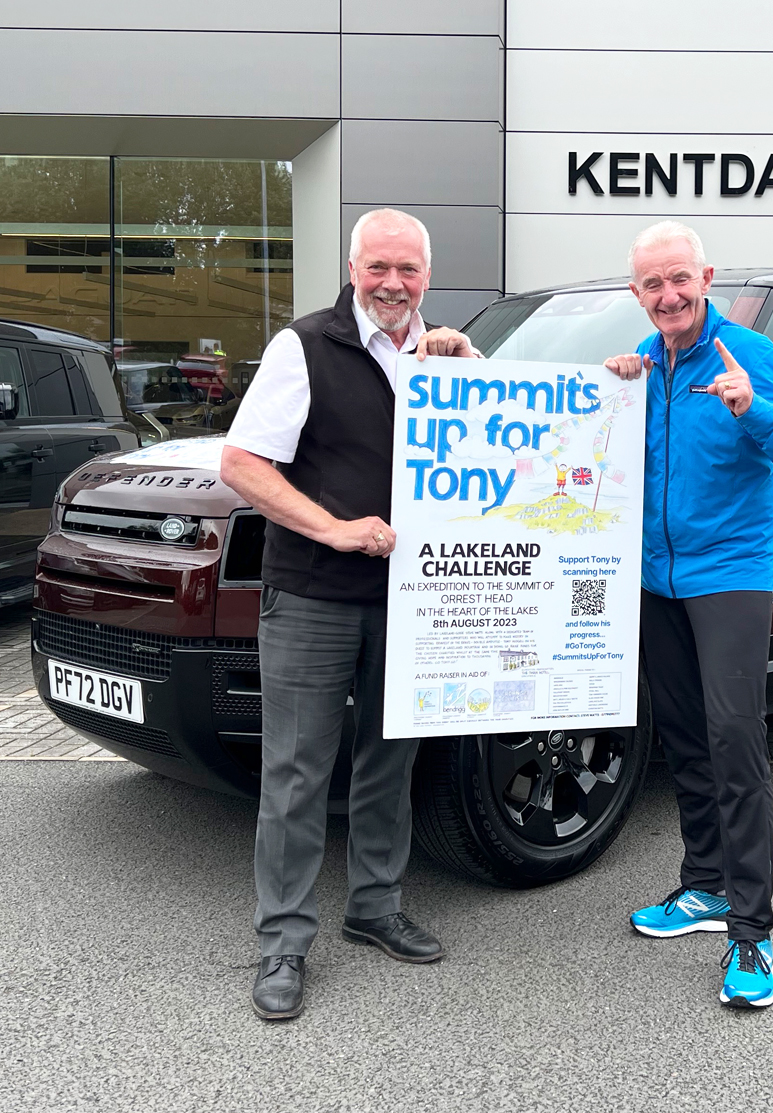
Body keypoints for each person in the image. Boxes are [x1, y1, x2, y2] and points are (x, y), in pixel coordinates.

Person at [220, 208, 479, 1020]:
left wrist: (473, 364)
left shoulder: (446, 353)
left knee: (388, 763)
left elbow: (515, 449)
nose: (393, 284)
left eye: (408, 270)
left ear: (427, 276)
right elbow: (240, 462)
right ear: (354, 267)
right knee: (297, 772)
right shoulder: (304, 345)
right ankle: (284, 942)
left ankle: (375, 906)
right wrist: (333, 528)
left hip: (413, 600)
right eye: (379, 269)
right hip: (314, 595)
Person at [605, 221, 773, 1009]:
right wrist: (608, 388)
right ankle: (703, 885)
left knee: (736, 741)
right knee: (684, 740)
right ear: (635, 292)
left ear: (704, 276)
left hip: (729, 576)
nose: (669, 295)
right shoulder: (639, 368)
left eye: (680, 278)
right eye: (652, 284)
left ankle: (752, 931)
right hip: (655, 580)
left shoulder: (749, 356)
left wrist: (755, 411)